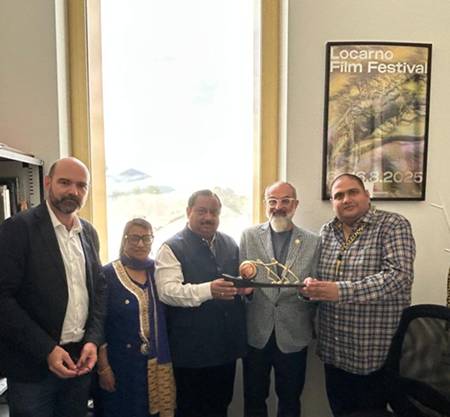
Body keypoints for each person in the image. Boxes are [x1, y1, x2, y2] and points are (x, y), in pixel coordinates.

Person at [301, 173, 416, 417]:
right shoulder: (326, 231)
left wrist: (341, 291)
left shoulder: (392, 224)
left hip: (373, 352)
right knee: (340, 411)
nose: (346, 199)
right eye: (338, 195)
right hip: (334, 350)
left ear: (367, 195)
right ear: (332, 202)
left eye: (352, 192)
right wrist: (311, 287)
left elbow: (399, 276)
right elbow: (320, 277)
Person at [0, 157, 106, 417]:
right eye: (65, 182)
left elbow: (99, 293)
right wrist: (47, 350)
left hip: (78, 362)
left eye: (81, 185)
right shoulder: (17, 229)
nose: (73, 191)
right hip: (32, 367)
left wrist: (92, 341)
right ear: (48, 183)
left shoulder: (88, 233)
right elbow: (3, 299)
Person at [155, 189, 247, 417]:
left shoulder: (230, 243)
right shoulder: (170, 248)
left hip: (225, 348)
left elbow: (236, 283)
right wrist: (209, 290)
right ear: (188, 212)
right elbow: (167, 291)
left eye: (214, 212)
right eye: (202, 211)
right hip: (190, 352)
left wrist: (244, 288)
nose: (208, 217)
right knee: (191, 409)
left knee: (220, 406)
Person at [240, 181, 321, 417]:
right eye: (272, 201)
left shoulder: (313, 241)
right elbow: (243, 281)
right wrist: (247, 293)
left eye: (286, 201)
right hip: (257, 332)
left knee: (290, 399)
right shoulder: (248, 236)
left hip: (294, 333)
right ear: (265, 204)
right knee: (254, 398)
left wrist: (308, 294)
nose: (279, 206)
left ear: (295, 205)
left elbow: (315, 291)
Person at [97, 218, 176, 417]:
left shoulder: (159, 273)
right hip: (120, 364)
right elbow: (97, 323)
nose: (140, 244)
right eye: (134, 238)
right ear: (124, 240)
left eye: (146, 238)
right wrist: (103, 367)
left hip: (155, 363)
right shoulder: (107, 274)